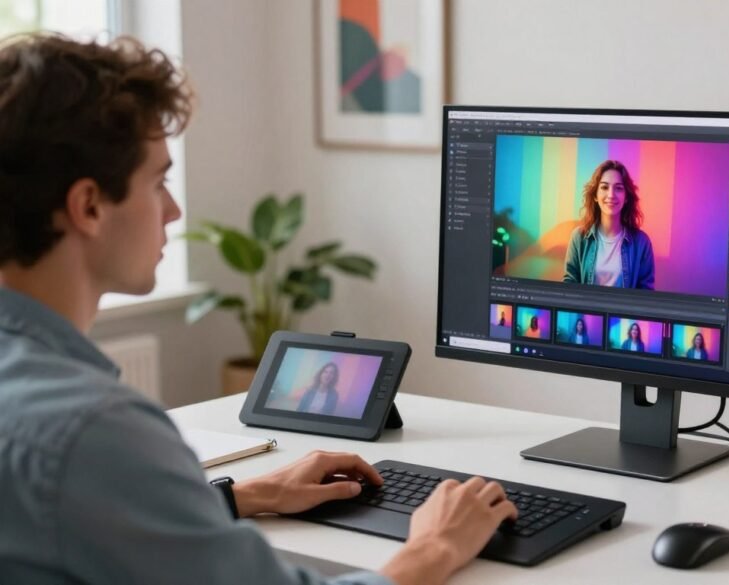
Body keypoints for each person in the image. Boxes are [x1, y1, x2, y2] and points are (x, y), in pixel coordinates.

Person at [0, 34, 515, 585]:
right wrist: (435, 546)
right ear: (89, 206)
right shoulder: (97, 432)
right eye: (158, 182)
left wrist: (248, 494)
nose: (173, 210)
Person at [563, 160, 655, 289]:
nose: (611, 195)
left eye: (618, 188)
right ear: (595, 195)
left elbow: (645, 293)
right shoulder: (578, 237)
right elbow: (569, 285)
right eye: (604, 187)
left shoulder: (642, 243)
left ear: (626, 197)